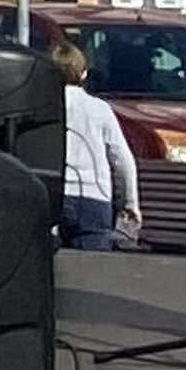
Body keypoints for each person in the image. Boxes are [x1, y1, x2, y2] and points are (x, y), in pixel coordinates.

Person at [52, 36, 142, 251]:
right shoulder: (99, 109)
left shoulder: (41, 107)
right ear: (84, 73)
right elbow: (121, 159)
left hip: (52, 196)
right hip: (93, 199)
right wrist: (130, 204)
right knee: (92, 266)